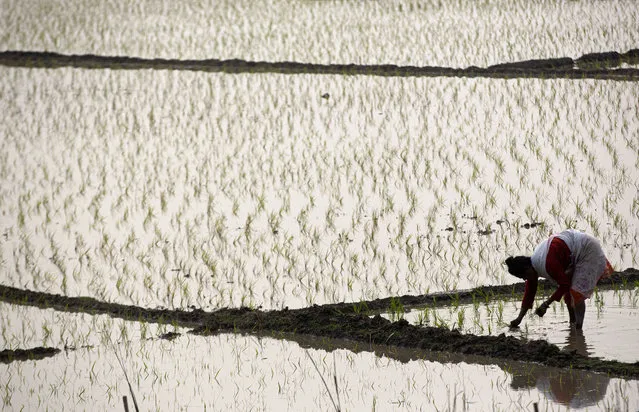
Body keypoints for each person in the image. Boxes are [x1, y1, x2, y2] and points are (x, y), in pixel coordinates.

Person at [505, 229, 614, 329]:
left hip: (586, 249)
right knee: (570, 291)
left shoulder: (547, 263)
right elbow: (529, 294)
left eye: (524, 276)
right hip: (574, 249)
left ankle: (578, 330)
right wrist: (519, 319)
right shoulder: (535, 265)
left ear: (527, 269)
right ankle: (573, 323)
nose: (525, 279)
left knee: (576, 293)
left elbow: (565, 284)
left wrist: (546, 304)